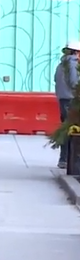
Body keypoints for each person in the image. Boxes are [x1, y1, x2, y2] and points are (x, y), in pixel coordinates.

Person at [55, 40, 80, 168]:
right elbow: (75, 83)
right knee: (72, 131)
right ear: (76, 52)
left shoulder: (61, 64)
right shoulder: (74, 64)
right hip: (72, 100)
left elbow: (56, 81)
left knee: (66, 129)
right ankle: (67, 160)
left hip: (63, 99)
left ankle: (64, 159)